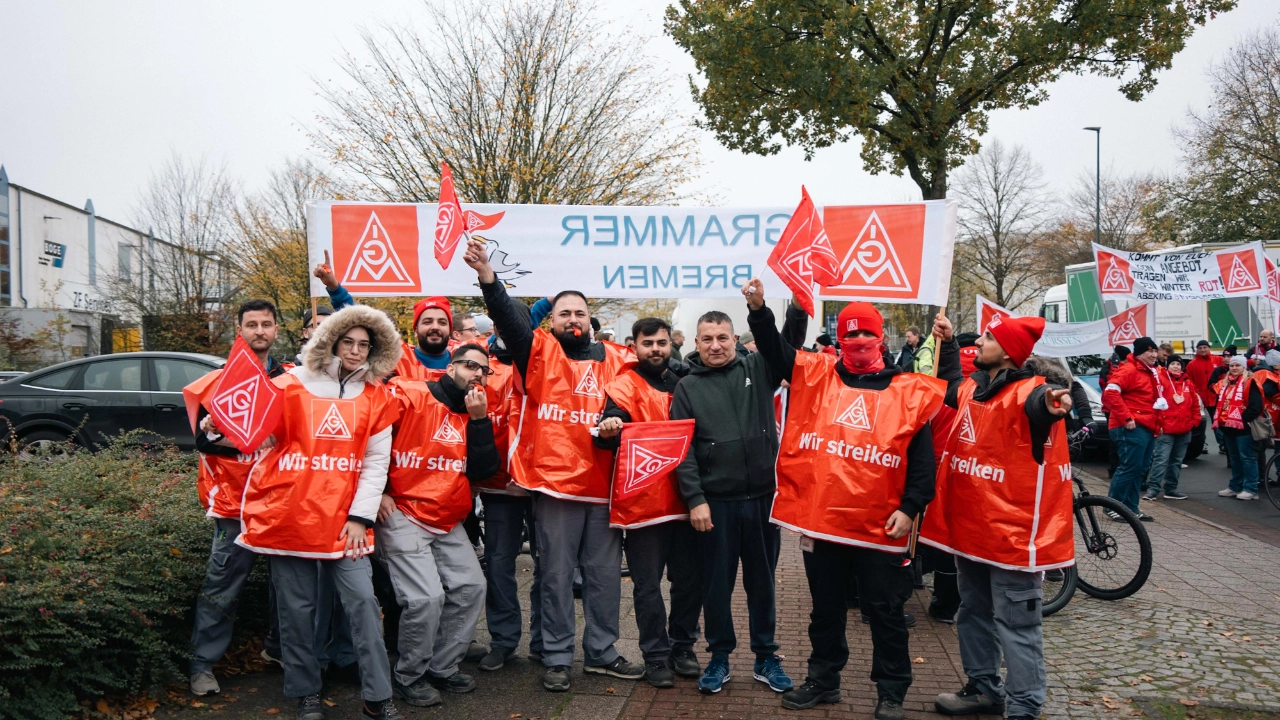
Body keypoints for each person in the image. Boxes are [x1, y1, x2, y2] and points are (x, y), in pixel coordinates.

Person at [745, 282, 943, 720]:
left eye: (865, 335)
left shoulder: (908, 391)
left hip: (881, 527)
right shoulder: (816, 376)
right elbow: (777, 354)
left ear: (881, 338)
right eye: (849, 336)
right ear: (838, 340)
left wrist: (911, 508)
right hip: (826, 524)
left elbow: (923, 461)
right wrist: (759, 310)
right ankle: (824, 678)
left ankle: (891, 690)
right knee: (826, 609)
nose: (857, 343)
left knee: (886, 612)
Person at [462, 238, 645, 692]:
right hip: (555, 489)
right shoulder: (537, 352)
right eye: (563, 313)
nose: (573, 319)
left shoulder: (620, 358)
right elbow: (509, 318)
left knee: (603, 579)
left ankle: (602, 653)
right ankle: (559, 657)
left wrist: (616, 421)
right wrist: (488, 277)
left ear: (590, 320)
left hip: (603, 490)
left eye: (579, 312)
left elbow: (641, 395)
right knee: (557, 577)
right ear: (552, 320)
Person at [237, 304, 404, 720]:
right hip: (291, 517)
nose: (355, 351)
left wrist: (361, 517)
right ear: (330, 340)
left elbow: (375, 463)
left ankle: (378, 696)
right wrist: (215, 428)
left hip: (346, 524)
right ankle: (305, 692)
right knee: (297, 612)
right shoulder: (289, 384)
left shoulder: (378, 396)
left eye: (364, 345)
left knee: (364, 604)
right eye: (347, 341)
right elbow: (253, 432)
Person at [923, 312, 1074, 720]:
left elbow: (1042, 406)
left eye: (988, 338)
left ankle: (1025, 704)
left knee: (1016, 624)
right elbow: (953, 384)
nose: (982, 343)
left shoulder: (1031, 392)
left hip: (1013, 537)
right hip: (973, 532)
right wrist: (950, 342)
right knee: (972, 611)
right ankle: (982, 687)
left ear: (1007, 351)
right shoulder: (976, 389)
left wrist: (1055, 402)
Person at [670, 302, 796, 696]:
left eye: (723, 337)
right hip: (716, 505)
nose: (715, 345)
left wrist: (765, 309)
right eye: (707, 339)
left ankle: (765, 657)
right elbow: (682, 449)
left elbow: (785, 345)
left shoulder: (758, 368)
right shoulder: (687, 386)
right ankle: (719, 656)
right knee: (716, 586)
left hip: (761, 499)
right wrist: (695, 499)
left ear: (735, 340)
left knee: (763, 583)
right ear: (696, 343)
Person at [376, 343, 498, 707]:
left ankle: (443, 666)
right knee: (426, 598)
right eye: (470, 366)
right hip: (402, 510)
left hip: (446, 517)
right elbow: (372, 438)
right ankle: (409, 675)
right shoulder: (410, 394)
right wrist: (380, 491)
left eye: (484, 370)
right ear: (450, 368)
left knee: (471, 587)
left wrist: (479, 421)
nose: (477, 374)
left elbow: (483, 470)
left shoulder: (474, 412)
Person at [186, 300, 289, 697]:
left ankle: (279, 651)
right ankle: (202, 665)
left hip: (281, 503)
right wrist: (250, 442)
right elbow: (202, 440)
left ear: (276, 329)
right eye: (252, 324)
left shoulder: (292, 381)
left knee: (288, 587)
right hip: (235, 506)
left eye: (266, 324)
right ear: (240, 329)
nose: (260, 331)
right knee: (221, 586)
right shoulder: (217, 383)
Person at [594, 317, 702, 689]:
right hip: (644, 503)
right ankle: (655, 655)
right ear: (634, 346)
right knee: (647, 586)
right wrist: (609, 426)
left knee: (688, 581)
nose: (655, 349)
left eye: (661, 342)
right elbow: (611, 422)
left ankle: (683, 646)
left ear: (671, 343)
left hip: (688, 500)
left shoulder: (689, 380)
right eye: (647, 343)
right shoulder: (623, 385)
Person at [476, 328, 545, 672]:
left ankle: (545, 639)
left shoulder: (543, 364)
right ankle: (503, 640)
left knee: (548, 565)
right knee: (499, 565)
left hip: (539, 485)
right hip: (497, 486)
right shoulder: (480, 366)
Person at [1102, 337, 1163, 520]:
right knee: (1130, 467)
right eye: (1149, 351)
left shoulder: (1149, 371)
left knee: (1140, 469)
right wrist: (1126, 417)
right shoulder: (1129, 370)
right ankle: (1113, 505)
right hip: (1130, 426)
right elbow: (1110, 393)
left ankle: (1130, 507)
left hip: (1145, 425)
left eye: (1154, 351)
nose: (1153, 354)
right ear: (1139, 353)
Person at [1143, 356, 1198, 501]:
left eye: (1178, 364)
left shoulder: (1188, 382)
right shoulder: (1161, 380)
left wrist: (1194, 420)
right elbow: (1153, 402)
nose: (1175, 366)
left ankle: (1171, 489)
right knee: (1161, 460)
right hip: (1166, 429)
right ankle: (1153, 489)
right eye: (1172, 364)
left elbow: (1194, 404)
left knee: (1176, 461)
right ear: (1167, 366)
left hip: (1184, 429)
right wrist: (1157, 423)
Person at [1215, 355, 1264, 500]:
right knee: (1235, 459)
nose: (1234, 368)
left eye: (1237, 365)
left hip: (1244, 428)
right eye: (1232, 366)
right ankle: (1235, 486)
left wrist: (1241, 419)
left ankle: (1251, 489)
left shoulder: (1250, 382)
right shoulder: (1226, 383)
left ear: (1244, 367)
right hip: (1228, 428)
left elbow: (1256, 406)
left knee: (1248, 458)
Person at [393, 297, 455, 380]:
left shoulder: (465, 362)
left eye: (442, 323)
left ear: (450, 330)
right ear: (415, 330)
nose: (435, 327)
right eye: (427, 322)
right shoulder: (396, 364)